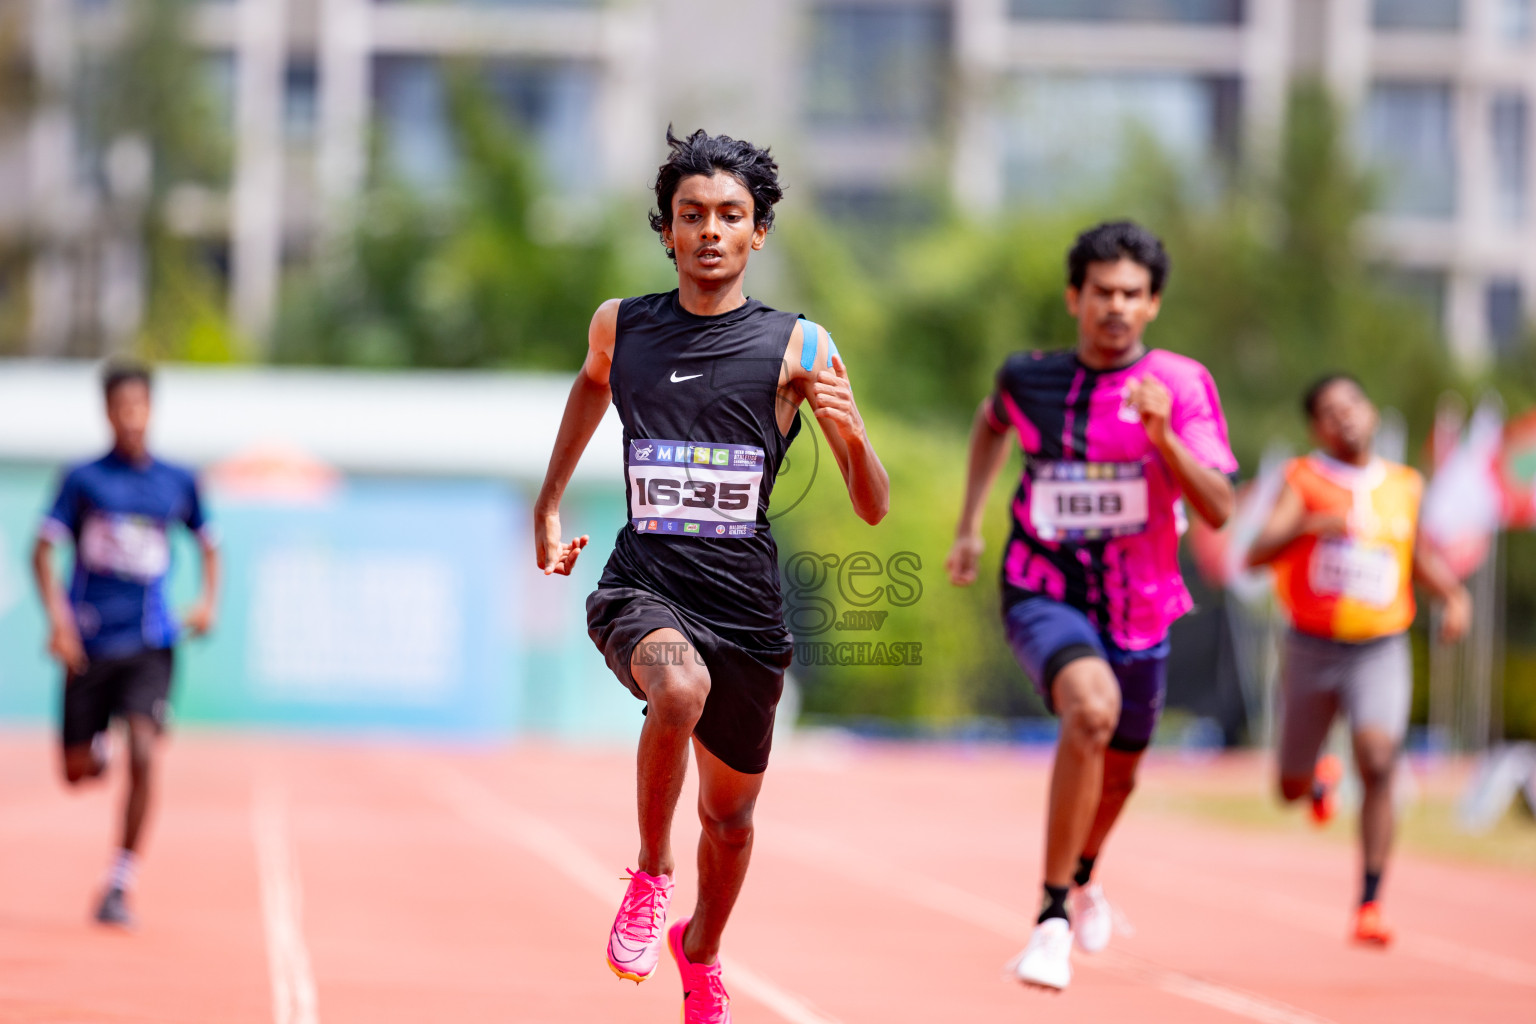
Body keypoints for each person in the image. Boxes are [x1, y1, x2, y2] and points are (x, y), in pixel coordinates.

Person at [534, 128, 888, 1023]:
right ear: (666, 230)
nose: (710, 232)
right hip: (641, 584)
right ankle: (651, 876)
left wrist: (849, 430)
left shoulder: (800, 346)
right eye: (691, 216)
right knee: (676, 688)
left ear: (758, 233)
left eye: (730, 216)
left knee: (729, 824)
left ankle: (702, 948)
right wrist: (549, 502)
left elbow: (873, 503)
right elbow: (591, 382)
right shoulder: (623, 324)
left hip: (747, 610)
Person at [946, 221, 1236, 991]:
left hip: (1141, 605)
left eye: (1131, 295)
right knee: (1091, 710)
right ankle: (1049, 920)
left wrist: (1163, 437)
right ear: (1075, 297)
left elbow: (1219, 509)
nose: (1115, 307)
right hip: (1040, 585)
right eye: (1102, 292)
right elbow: (989, 424)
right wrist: (971, 525)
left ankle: (1083, 873)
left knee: (1121, 775)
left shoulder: (1181, 385)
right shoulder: (1030, 378)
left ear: (1153, 306)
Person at [1245, 373, 1469, 947]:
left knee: (1378, 757)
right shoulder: (1304, 478)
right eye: (1329, 411)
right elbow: (1256, 554)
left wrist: (1454, 596)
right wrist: (1307, 527)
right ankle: (1318, 778)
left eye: (1353, 405)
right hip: (1311, 646)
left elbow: (1414, 554)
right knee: (1288, 789)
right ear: (1316, 427)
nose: (1344, 417)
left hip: (1380, 646)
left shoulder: (1404, 484)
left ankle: (1369, 901)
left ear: (1371, 411)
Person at [31, 361, 220, 928]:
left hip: (150, 642)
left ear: (151, 410)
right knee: (75, 771)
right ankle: (98, 746)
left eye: (140, 406)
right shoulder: (84, 480)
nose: (132, 416)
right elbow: (41, 550)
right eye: (122, 407)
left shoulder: (177, 480)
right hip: (89, 644)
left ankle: (119, 881)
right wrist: (60, 622)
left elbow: (211, 545)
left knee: (144, 750)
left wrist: (208, 601)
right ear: (108, 412)